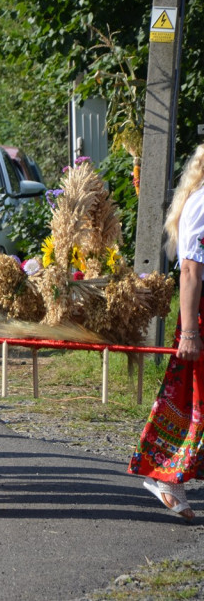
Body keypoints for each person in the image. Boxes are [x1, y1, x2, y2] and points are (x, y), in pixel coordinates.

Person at [128, 143, 204, 522]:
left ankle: (170, 476)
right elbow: (190, 269)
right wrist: (189, 330)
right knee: (191, 400)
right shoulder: (202, 202)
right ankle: (167, 477)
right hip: (202, 315)